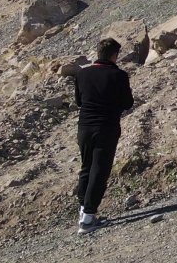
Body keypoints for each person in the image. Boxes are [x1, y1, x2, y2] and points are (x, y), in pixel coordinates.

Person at [74, 38, 134, 234]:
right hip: (106, 127)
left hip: (84, 128)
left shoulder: (82, 73)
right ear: (114, 55)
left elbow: (79, 101)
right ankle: (88, 219)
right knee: (99, 170)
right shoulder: (119, 75)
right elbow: (127, 103)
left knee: (86, 167)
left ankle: (83, 211)